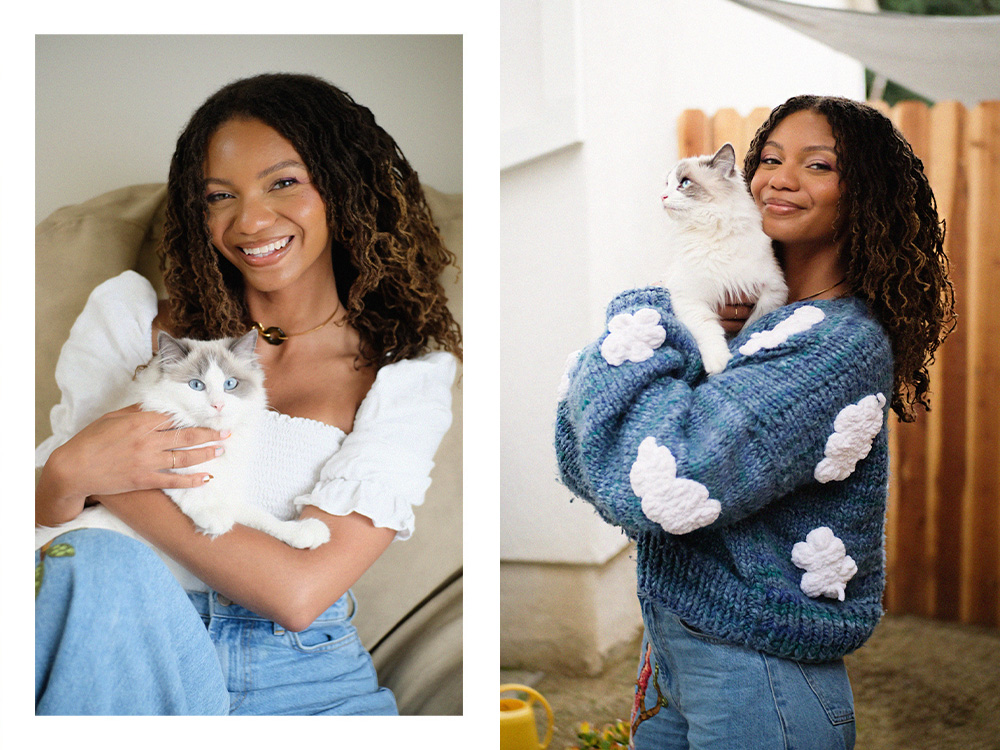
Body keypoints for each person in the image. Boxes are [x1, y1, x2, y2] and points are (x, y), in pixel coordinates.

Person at [35, 72, 462, 715]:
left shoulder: (405, 376)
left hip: (301, 679)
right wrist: (68, 472)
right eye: (218, 196)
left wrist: (95, 473)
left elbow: (298, 591)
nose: (252, 220)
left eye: (284, 182)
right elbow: (49, 523)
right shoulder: (133, 322)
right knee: (90, 563)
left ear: (344, 188)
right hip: (117, 643)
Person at [555, 94, 955, 748]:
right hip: (672, 647)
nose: (780, 178)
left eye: (818, 165)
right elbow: (584, 453)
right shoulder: (749, 321)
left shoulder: (835, 347)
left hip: (759, 672)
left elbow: (654, 480)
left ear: (865, 195)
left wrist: (655, 311)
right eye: (768, 159)